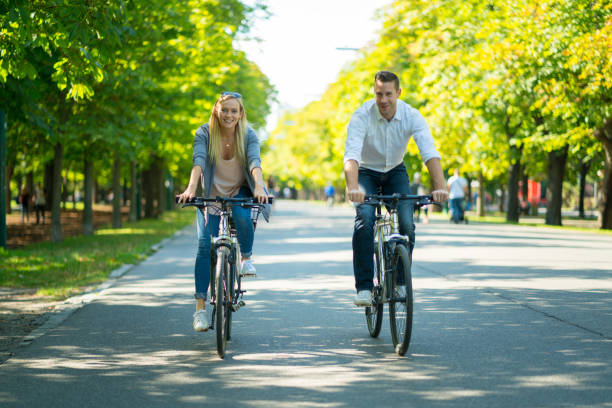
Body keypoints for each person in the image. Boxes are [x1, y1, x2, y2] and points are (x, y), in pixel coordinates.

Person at [344, 70, 449, 306]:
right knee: (364, 220)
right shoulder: (362, 115)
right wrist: (352, 187)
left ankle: (401, 280)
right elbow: (351, 154)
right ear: (374, 92)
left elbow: (429, 151)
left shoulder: (412, 115)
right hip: (367, 172)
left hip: (395, 170)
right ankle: (364, 287)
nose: (383, 100)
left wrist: (440, 186)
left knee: (407, 223)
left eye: (388, 94)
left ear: (398, 93)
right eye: (379, 94)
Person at [177, 91, 271, 332]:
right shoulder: (204, 133)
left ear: (240, 114)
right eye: (225, 110)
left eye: (234, 110)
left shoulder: (248, 134)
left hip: (239, 190)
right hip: (211, 194)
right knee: (203, 245)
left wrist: (259, 186)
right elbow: (198, 161)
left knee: (241, 214)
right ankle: (200, 310)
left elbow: (254, 162)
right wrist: (190, 188)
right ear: (216, 111)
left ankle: (246, 258)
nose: (229, 114)